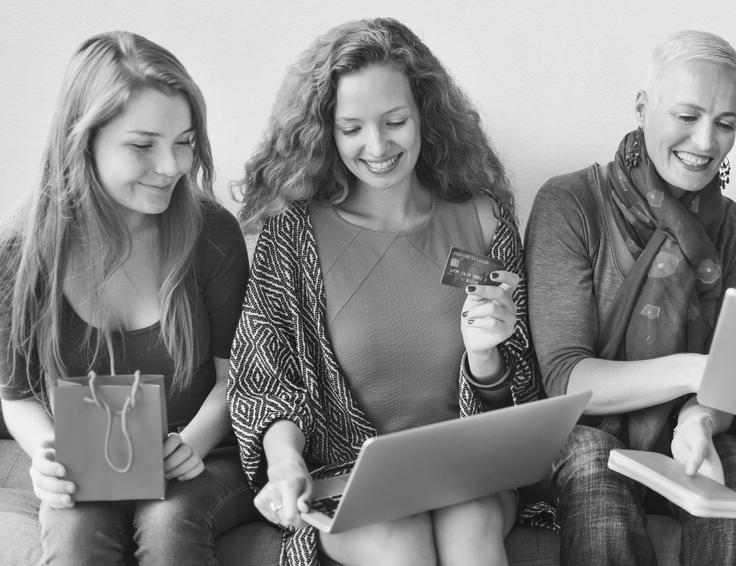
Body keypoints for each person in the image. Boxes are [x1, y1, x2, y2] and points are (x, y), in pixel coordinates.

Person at [227, 18, 541, 566]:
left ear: (425, 114)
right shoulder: (295, 237)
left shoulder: (481, 224)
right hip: (344, 476)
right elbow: (264, 379)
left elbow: (518, 400)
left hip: (466, 472)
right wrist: (284, 465)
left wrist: (485, 355)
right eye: (352, 129)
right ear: (327, 131)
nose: (376, 146)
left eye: (394, 121)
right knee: (399, 541)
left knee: (470, 527)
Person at [0, 32, 254, 565]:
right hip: (88, 461)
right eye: (143, 145)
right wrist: (50, 456)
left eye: (184, 141)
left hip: (203, 455)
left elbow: (239, 379)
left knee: (169, 522)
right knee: (74, 538)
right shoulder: (23, 253)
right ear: (83, 139)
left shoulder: (212, 233)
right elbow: (16, 393)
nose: (173, 165)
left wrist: (193, 443)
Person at [525, 30, 736, 566]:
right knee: (594, 458)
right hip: (584, 436)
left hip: (688, 424)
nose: (706, 142)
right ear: (643, 108)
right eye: (687, 116)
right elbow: (565, 377)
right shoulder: (570, 203)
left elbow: (730, 386)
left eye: (726, 124)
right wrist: (694, 370)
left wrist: (698, 421)